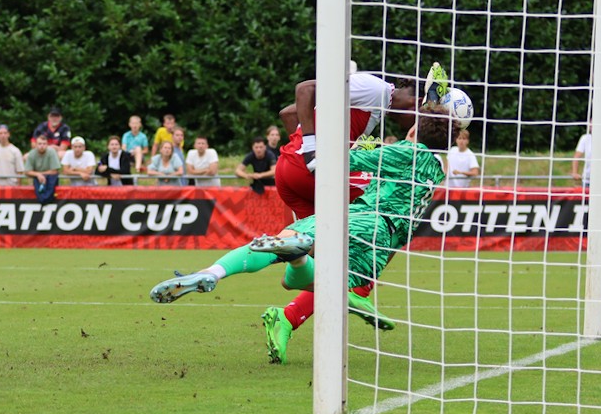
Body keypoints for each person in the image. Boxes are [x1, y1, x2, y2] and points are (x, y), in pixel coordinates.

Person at [150, 107, 457, 365]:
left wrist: (346, 146)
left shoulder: (408, 151)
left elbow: (343, 161)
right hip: (383, 239)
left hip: (360, 217)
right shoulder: (437, 170)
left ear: (416, 134)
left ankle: (215, 272)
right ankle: (295, 262)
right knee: (302, 282)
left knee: (284, 238)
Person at [268, 65, 446, 346]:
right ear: (414, 103)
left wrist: (298, 148)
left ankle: (287, 316)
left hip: (289, 171)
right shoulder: (374, 89)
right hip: (311, 169)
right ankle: (358, 287)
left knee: (327, 253)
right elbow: (305, 89)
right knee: (385, 215)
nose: (415, 128)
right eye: (419, 117)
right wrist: (311, 150)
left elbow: (288, 114)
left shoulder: (372, 102)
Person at [24, 133, 61, 202]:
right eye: (40, 144)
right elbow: (27, 171)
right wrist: (38, 175)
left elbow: (55, 171)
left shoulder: (52, 152)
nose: (42, 146)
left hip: (50, 179)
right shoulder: (32, 153)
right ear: (36, 144)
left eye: (44, 144)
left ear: (47, 145)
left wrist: (40, 174)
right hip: (37, 180)